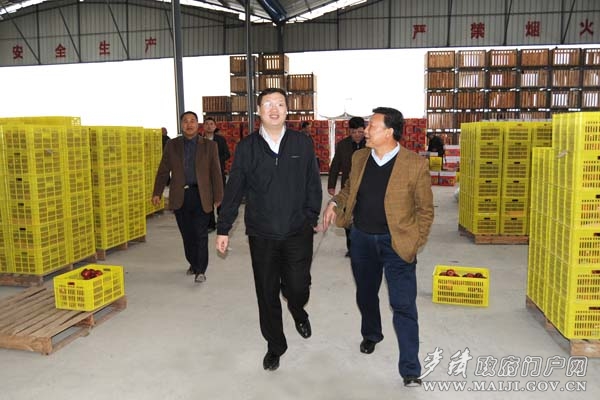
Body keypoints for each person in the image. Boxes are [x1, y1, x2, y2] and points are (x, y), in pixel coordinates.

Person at [322, 107, 434, 387]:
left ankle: (410, 368)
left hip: (397, 243)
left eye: (372, 126)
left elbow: (425, 210)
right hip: (362, 239)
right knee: (366, 294)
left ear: (389, 132)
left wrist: (415, 242)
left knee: (403, 304)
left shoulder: (414, 164)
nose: (366, 131)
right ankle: (371, 334)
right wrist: (335, 203)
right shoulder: (360, 157)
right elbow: (349, 189)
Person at [216, 88, 322, 372]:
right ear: (258, 111)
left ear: (287, 110)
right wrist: (223, 227)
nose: (274, 109)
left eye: (280, 104)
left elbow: (313, 182)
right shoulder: (247, 147)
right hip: (262, 233)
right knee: (266, 291)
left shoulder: (302, 143)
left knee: (298, 287)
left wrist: (310, 216)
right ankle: (276, 345)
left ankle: (298, 310)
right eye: (268, 104)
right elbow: (234, 188)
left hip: (297, 231)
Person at [152, 111, 224, 283]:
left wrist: (219, 196)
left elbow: (216, 171)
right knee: (187, 235)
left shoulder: (209, 146)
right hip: (180, 195)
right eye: (185, 121)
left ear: (198, 124)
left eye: (192, 121)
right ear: (181, 125)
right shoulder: (172, 145)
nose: (189, 124)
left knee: (201, 234)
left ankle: (201, 270)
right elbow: (163, 170)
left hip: (201, 195)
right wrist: (157, 192)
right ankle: (193, 262)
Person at [327, 116, 366, 257]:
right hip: (347, 188)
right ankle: (351, 248)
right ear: (349, 131)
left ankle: (364, 247)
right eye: (354, 132)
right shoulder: (343, 145)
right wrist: (331, 185)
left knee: (364, 218)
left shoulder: (371, 144)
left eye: (360, 132)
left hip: (366, 188)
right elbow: (335, 165)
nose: (357, 135)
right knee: (347, 217)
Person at [203, 117, 231, 232]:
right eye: (207, 124)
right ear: (203, 127)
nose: (209, 126)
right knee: (207, 198)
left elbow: (227, 154)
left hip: (219, 173)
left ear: (215, 127)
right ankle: (210, 224)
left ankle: (222, 222)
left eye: (211, 124)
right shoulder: (200, 140)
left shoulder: (220, 140)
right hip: (204, 175)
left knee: (221, 197)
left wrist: (216, 162)